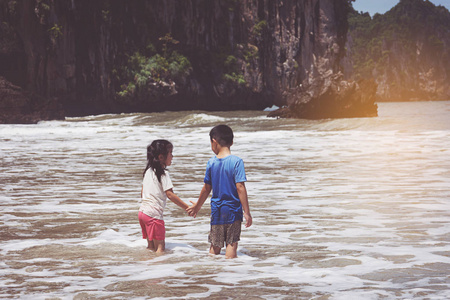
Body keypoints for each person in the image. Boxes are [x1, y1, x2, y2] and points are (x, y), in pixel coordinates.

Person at [187, 125, 252, 258]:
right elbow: (240, 187)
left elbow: (206, 188)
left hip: (217, 210)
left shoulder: (211, 163)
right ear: (232, 142)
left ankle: (213, 272)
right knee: (231, 244)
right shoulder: (237, 162)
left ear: (214, 141)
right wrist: (247, 212)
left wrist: (197, 206)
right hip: (233, 210)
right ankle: (230, 274)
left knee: (215, 245)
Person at [138, 139, 189, 253]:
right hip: (153, 215)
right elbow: (170, 195)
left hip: (142, 213)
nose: (172, 156)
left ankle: (145, 267)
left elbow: (142, 193)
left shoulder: (148, 171)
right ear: (161, 157)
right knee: (160, 248)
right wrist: (187, 207)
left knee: (151, 247)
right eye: (171, 153)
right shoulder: (163, 174)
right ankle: (157, 269)